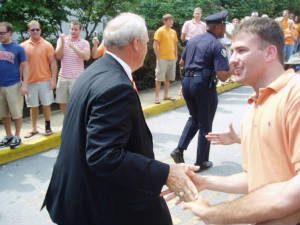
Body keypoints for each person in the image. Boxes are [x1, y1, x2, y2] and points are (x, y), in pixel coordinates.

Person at [42, 12, 199, 225]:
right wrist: (166, 173)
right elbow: (104, 155)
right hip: (98, 206)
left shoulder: (94, 71)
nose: (146, 48)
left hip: (76, 197)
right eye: (145, 42)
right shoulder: (116, 86)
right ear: (136, 44)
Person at [168, 17, 300, 224]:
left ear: (270, 53)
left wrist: (215, 214)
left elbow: (294, 192)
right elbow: (255, 178)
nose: (231, 60)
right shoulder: (254, 108)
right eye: (232, 51)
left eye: (242, 51)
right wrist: (204, 181)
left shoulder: (295, 94)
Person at [170, 10, 231, 171]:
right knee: (205, 124)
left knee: (195, 118)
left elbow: (182, 63)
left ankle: (179, 149)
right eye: (224, 25)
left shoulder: (193, 40)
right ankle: (201, 162)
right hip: (203, 84)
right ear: (217, 27)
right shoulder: (217, 45)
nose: (225, 29)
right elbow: (223, 76)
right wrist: (234, 68)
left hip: (188, 82)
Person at [21, 20, 57, 137]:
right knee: (33, 106)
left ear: (40, 30)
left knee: (46, 105)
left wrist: (53, 80)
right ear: (28, 31)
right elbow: (21, 65)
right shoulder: (23, 46)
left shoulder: (47, 45)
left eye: (37, 29)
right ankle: (34, 129)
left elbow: (53, 63)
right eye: (33, 29)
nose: (35, 31)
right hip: (30, 81)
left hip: (45, 80)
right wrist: (22, 82)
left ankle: (48, 127)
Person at [0, 22, 29, 148]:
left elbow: (25, 67)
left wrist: (24, 84)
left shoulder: (18, 48)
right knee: (3, 113)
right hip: (0, 86)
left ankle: (17, 136)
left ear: (10, 33)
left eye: (2, 33)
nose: (0, 35)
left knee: (16, 113)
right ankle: (8, 135)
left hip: (14, 84)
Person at [55, 21, 90, 115]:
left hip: (77, 78)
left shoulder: (84, 43)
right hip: (63, 77)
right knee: (62, 102)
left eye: (75, 29)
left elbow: (86, 57)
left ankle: (76, 123)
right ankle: (66, 122)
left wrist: (74, 48)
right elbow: (58, 56)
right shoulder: (62, 40)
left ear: (80, 30)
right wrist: (62, 43)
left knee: (77, 103)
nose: (73, 31)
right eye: (71, 29)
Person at [153, 14, 178, 104]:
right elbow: (155, 45)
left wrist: (176, 56)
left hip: (172, 58)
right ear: (165, 21)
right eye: (169, 20)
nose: (172, 22)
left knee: (168, 78)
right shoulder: (160, 31)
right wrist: (158, 57)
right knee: (159, 78)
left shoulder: (173, 32)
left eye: (172, 20)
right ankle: (157, 97)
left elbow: (175, 45)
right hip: (162, 58)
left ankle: (166, 96)